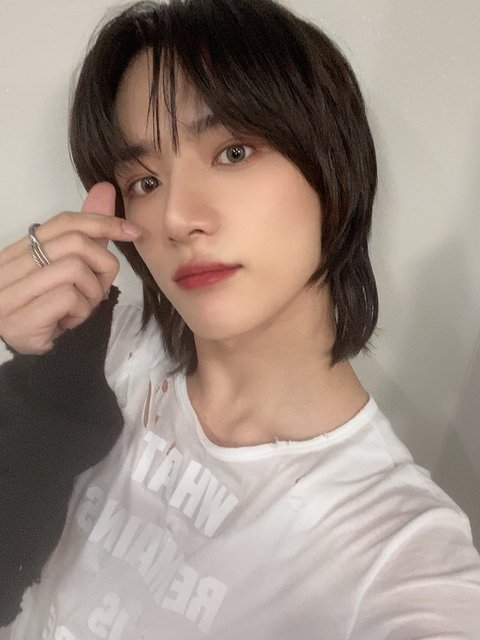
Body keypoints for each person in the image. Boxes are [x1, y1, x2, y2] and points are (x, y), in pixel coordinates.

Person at [0, 0, 479, 637]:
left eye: (233, 152)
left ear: (331, 166)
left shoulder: (396, 553)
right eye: (145, 182)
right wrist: (39, 384)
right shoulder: (102, 349)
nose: (176, 218)